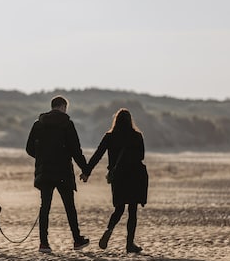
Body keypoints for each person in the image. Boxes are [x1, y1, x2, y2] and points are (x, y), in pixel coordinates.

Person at [26, 95, 90, 253]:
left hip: (45, 171)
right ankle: (77, 240)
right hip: (63, 172)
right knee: (69, 207)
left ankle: (44, 244)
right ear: (62, 107)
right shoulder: (67, 124)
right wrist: (85, 169)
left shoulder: (38, 124)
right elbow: (76, 150)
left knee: (45, 207)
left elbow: (29, 148)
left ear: (52, 106)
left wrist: (41, 158)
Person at [80, 108, 148, 253]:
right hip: (135, 175)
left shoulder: (109, 136)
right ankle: (130, 244)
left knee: (119, 208)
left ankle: (109, 229)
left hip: (118, 177)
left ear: (115, 120)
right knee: (132, 210)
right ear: (130, 121)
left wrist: (87, 172)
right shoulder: (137, 136)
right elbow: (141, 156)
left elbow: (98, 154)